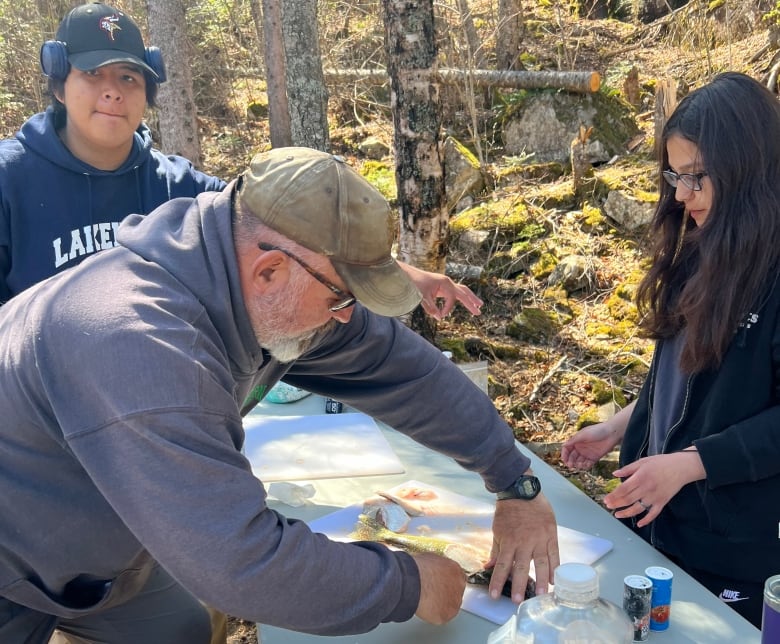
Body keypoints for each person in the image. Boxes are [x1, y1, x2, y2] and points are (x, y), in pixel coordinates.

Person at [0, 146, 560, 643]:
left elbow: (400, 366)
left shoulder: (252, 285)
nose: (346, 321)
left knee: (182, 630)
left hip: (101, 555)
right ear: (269, 271)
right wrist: (409, 584)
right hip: (11, 559)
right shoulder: (139, 342)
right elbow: (241, 562)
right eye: (342, 300)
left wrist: (516, 480)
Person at [0, 2, 482, 321]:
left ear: (148, 90)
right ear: (59, 82)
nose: (112, 89)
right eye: (92, 72)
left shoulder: (176, 187)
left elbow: (288, 227)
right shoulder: (10, 181)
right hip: (31, 416)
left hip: (145, 401)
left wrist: (402, 273)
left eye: (129, 76)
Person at [561, 72, 780, 628]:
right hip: (662, 521)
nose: (682, 197)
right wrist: (619, 426)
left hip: (736, 549)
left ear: (749, 169)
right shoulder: (706, 245)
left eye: (697, 179)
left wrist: (691, 464)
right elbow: (691, 379)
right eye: (675, 177)